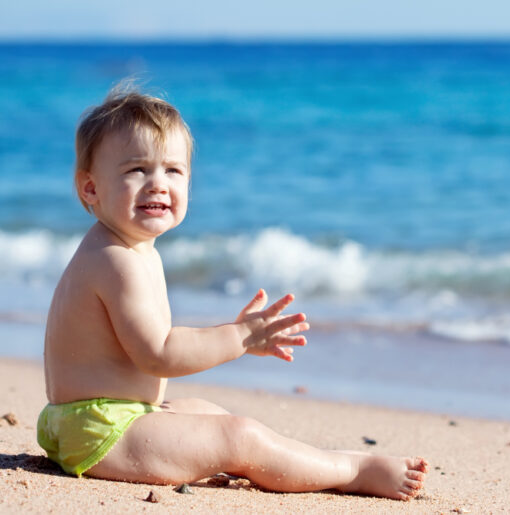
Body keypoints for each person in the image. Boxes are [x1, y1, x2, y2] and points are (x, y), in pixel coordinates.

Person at [36, 86, 428, 501]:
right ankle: (351, 469)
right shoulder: (116, 260)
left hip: (89, 422)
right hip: (100, 432)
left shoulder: (124, 250)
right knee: (241, 436)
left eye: (173, 170)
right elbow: (158, 355)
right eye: (136, 170)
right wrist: (240, 337)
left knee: (209, 413)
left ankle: (308, 459)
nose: (157, 184)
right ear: (91, 188)